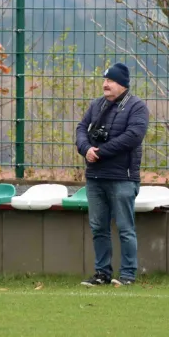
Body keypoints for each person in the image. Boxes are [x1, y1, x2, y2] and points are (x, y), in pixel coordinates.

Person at [76, 63, 149, 287]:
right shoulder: (96, 105)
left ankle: (127, 275)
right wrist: (85, 149)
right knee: (99, 228)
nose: (105, 84)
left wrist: (100, 152)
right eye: (105, 80)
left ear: (123, 85)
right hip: (95, 177)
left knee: (126, 228)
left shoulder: (137, 107)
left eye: (111, 81)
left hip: (123, 178)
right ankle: (102, 274)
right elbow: (81, 128)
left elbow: (133, 136)